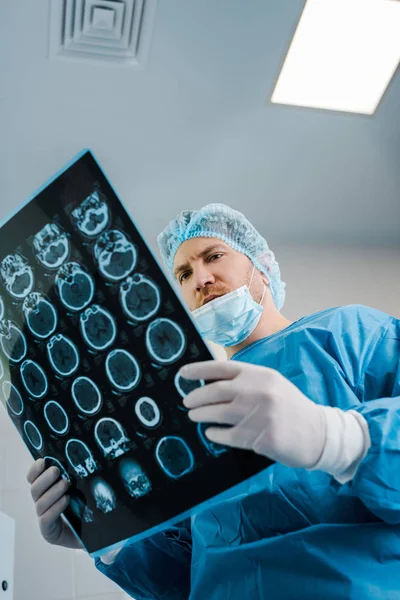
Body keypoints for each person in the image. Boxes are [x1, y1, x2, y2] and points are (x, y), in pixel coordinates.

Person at [27, 203, 400, 599]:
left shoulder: (351, 334)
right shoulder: (186, 410)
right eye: (184, 274)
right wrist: (107, 536)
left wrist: (336, 439)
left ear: (262, 264)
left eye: (214, 256)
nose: (200, 279)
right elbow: (181, 578)